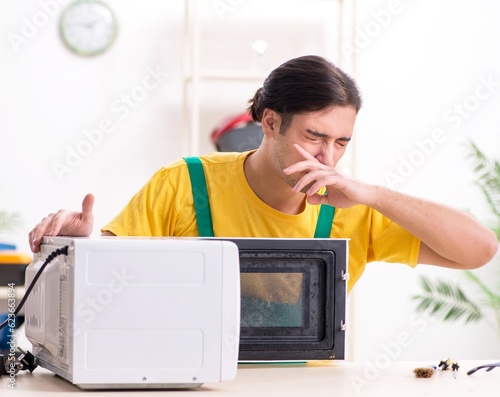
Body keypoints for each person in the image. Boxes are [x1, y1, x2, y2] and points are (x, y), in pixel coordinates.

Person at [29, 55, 498, 293]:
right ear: (270, 122)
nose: (327, 159)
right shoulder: (183, 184)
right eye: (315, 136)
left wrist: (374, 194)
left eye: (341, 143)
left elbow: (480, 250)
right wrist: (78, 247)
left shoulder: (353, 207)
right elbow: (99, 285)